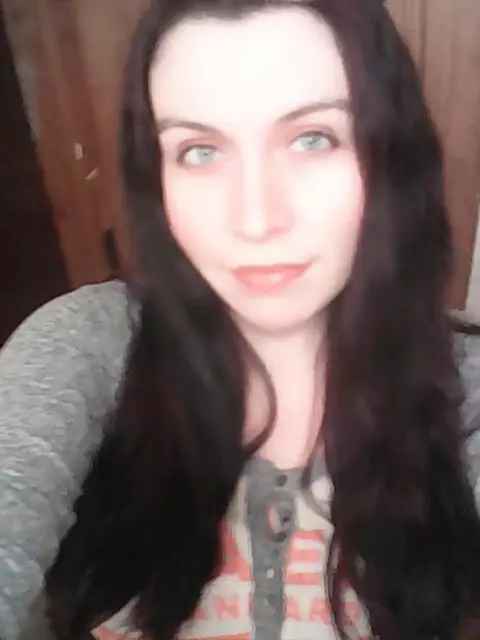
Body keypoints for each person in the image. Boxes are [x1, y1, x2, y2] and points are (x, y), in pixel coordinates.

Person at [2, 0, 480, 638]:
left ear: (389, 158)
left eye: (313, 139)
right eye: (199, 151)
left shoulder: (465, 382)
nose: (255, 219)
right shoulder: (91, 345)